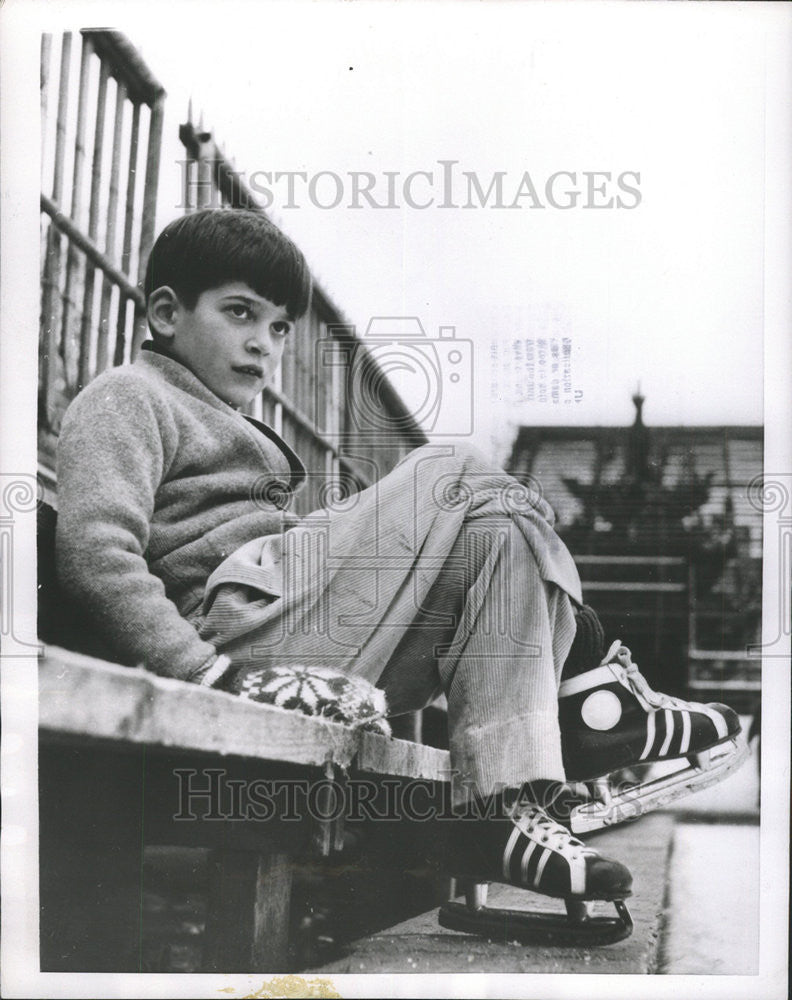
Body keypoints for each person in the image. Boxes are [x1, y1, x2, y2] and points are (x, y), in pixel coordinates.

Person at [55, 208, 742, 935]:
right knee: (454, 469)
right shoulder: (129, 395)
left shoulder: (227, 418)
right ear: (166, 312)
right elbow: (97, 556)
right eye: (239, 314)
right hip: (231, 639)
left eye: (281, 326)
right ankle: (595, 699)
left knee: (498, 538)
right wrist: (204, 672)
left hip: (287, 629)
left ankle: (498, 814)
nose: (264, 343)